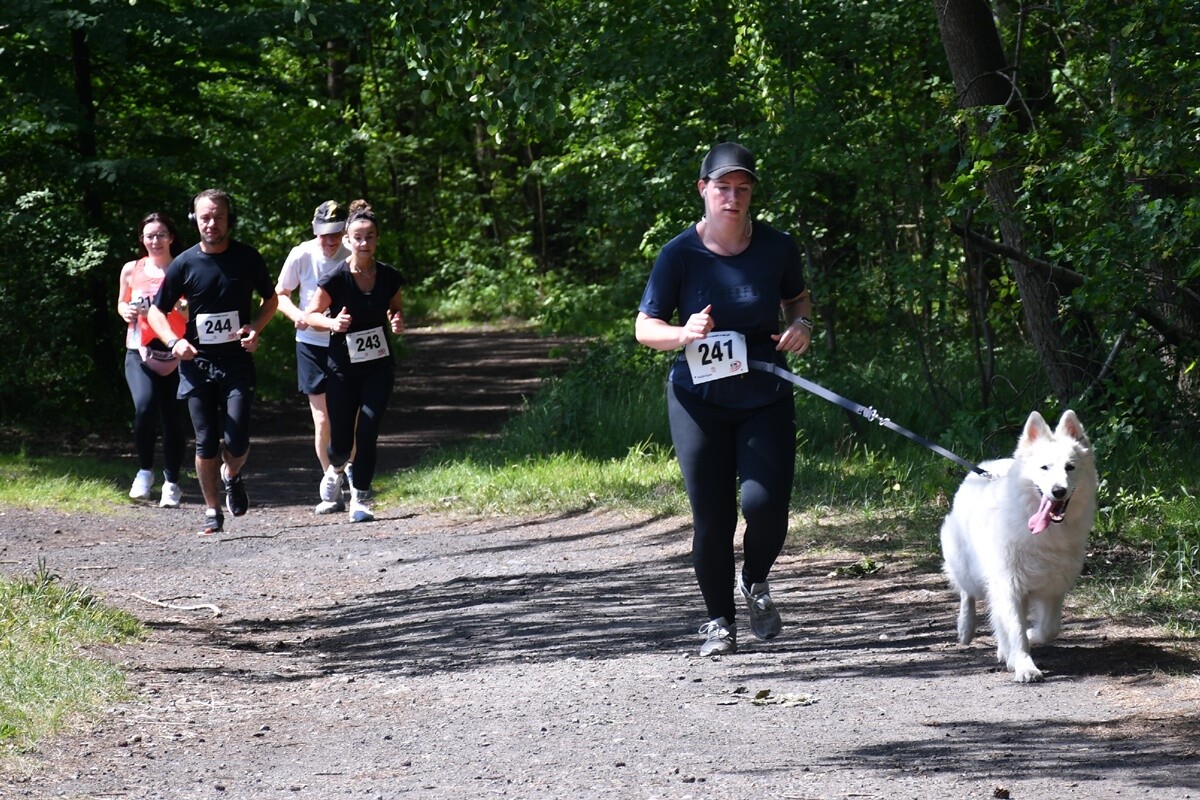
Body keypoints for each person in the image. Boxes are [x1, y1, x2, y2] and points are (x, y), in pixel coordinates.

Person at [634, 142, 813, 656]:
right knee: (713, 519)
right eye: (722, 188)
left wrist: (802, 324)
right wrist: (683, 333)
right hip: (699, 402)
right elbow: (645, 328)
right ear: (703, 190)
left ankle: (754, 579)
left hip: (764, 394)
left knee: (766, 506)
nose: (732, 198)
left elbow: (796, 299)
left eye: (742, 189)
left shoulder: (778, 247)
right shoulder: (678, 254)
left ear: (751, 194)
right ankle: (719, 622)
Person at [146, 189, 279, 536]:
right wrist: (174, 341)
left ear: (228, 219)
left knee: (237, 441)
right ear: (195, 221)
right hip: (197, 363)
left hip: (237, 362)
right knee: (205, 442)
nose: (211, 223)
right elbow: (157, 311)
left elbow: (271, 299)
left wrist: (256, 329)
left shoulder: (247, 258)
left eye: (218, 216)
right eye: (205, 217)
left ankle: (231, 473)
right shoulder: (184, 263)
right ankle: (212, 511)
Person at [303, 200, 404, 523]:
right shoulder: (335, 278)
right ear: (347, 240)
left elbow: (395, 307)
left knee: (369, 431)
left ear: (377, 239)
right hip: (343, 369)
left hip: (378, 366)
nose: (364, 243)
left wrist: (396, 319)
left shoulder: (389, 276)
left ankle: (360, 496)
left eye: (369, 237)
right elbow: (311, 315)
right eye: (358, 237)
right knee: (342, 441)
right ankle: (335, 468)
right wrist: (333, 323)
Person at [275, 200, 351, 514]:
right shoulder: (302, 254)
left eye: (336, 234)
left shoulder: (354, 253)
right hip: (310, 343)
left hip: (346, 343)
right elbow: (280, 294)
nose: (330, 241)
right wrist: (297, 315)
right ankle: (331, 481)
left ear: (345, 230)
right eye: (324, 234)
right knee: (322, 418)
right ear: (314, 230)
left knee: (348, 415)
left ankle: (352, 476)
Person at [115, 212, 188, 508]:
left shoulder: (184, 267)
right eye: (149, 236)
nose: (155, 241)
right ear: (142, 239)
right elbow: (122, 302)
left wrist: (181, 309)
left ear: (171, 237)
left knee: (173, 419)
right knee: (144, 407)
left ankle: (171, 483)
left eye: (160, 235)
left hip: (176, 353)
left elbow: (195, 311)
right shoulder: (131, 269)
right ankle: (144, 472)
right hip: (139, 350)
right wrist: (125, 311)